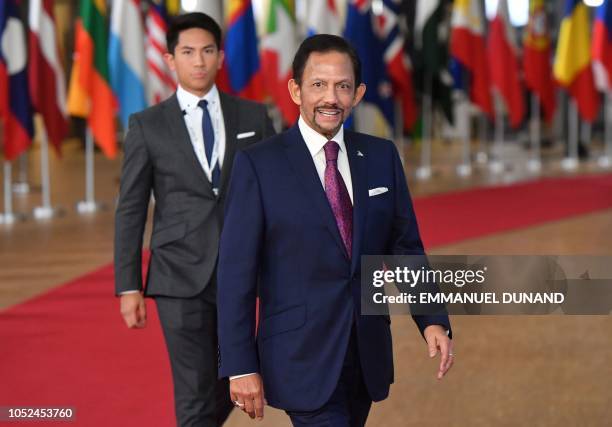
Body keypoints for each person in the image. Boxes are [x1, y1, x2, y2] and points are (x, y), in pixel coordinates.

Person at [216, 34, 454, 426]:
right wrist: (240, 365)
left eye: (343, 86)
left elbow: (403, 246)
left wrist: (431, 317)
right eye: (318, 85)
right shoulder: (259, 166)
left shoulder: (381, 157)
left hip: (366, 354)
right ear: (295, 90)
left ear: (358, 93)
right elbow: (235, 274)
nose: (331, 97)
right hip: (300, 356)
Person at [114, 12, 275, 427]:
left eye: (207, 51)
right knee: (194, 391)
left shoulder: (254, 118)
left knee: (231, 381)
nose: (198, 61)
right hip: (177, 276)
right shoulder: (147, 126)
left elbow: (278, 194)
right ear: (170, 60)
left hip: (241, 273)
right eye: (187, 52)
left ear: (221, 56)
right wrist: (129, 285)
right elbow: (131, 207)